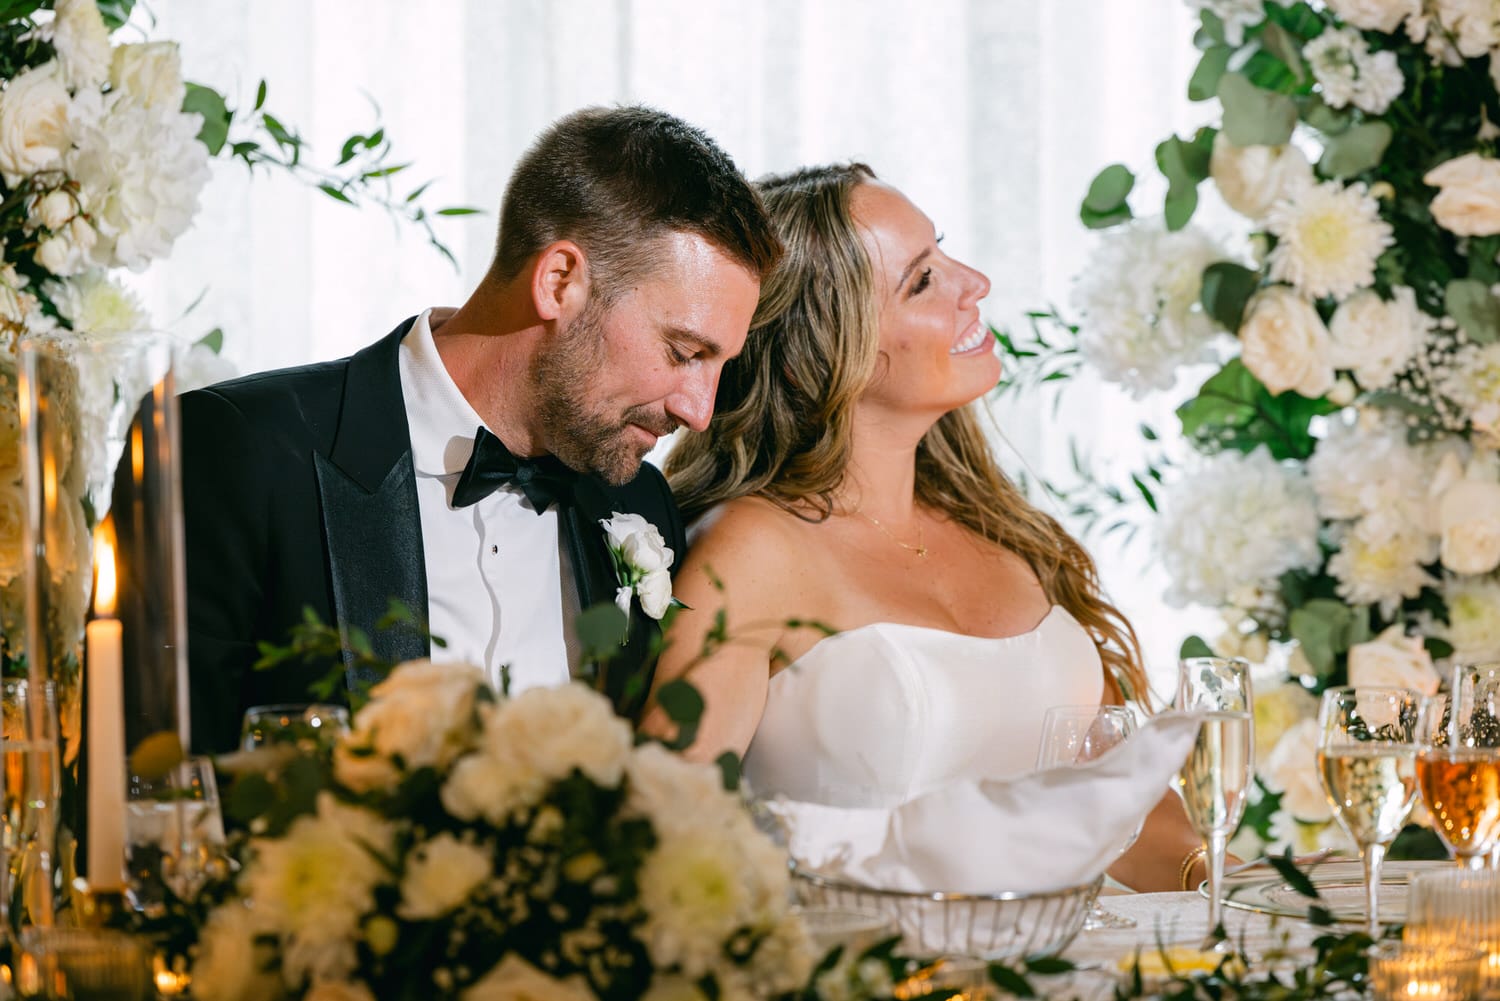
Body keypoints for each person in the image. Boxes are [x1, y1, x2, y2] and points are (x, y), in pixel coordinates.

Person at [646, 163, 1213, 892]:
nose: (972, 282)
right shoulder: (750, 554)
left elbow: (1124, 814)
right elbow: (669, 844)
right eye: (922, 281)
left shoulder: (1000, 527)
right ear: (825, 349)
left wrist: (1246, 895)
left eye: (943, 254)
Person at [174, 106, 781, 753]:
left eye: (720, 365)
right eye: (685, 352)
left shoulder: (639, 503)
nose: (699, 411)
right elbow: (155, 792)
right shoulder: (237, 453)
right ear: (559, 282)